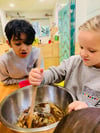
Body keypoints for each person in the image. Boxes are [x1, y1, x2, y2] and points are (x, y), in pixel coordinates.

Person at [29, 14, 100, 112]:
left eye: (91, 51)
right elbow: (55, 73)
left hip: (88, 120)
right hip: (66, 111)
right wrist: (42, 77)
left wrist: (88, 107)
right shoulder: (74, 62)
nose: (83, 54)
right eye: (81, 47)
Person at [0, 19, 43, 85]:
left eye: (28, 43)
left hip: (32, 86)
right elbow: (4, 80)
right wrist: (25, 80)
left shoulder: (37, 53)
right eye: (18, 44)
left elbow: (41, 76)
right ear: (9, 44)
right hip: (12, 87)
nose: (24, 48)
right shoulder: (3, 60)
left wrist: (38, 77)